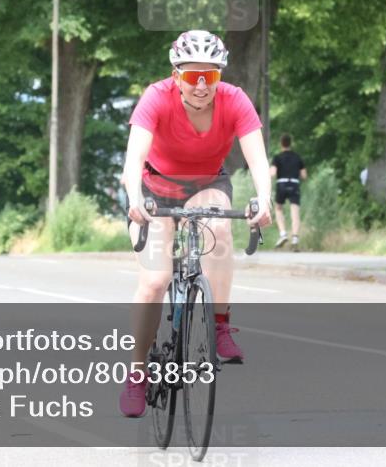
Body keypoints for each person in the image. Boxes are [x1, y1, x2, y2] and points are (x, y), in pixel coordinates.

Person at [120, 30, 272, 417]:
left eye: (211, 75)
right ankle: (137, 372)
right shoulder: (156, 97)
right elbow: (133, 160)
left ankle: (219, 323)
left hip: (207, 184)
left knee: (219, 230)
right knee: (154, 282)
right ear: (176, 75)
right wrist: (135, 198)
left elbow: (256, 158)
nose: (202, 85)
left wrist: (265, 199)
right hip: (157, 188)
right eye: (192, 76)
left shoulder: (235, 100)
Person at [270, 134, 307, 250]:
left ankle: (283, 234)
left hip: (281, 184)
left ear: (281, 143)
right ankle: (295, 237)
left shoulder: (277, 157)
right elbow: (304, 175)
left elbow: (272, 173)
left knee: (278, 208)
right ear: (291, 143)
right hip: (294, 184)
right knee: (295, 210)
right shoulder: (297, 157)